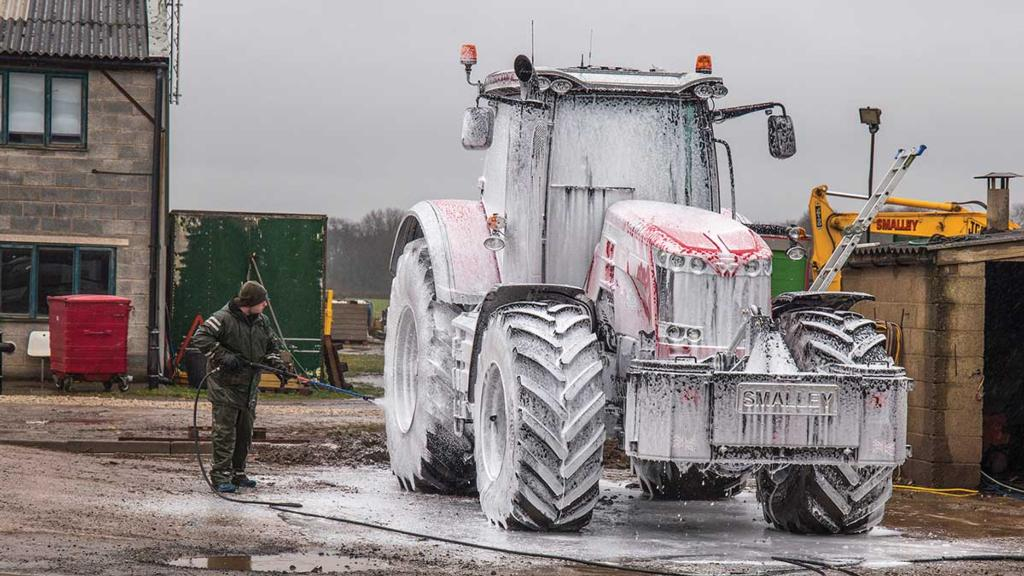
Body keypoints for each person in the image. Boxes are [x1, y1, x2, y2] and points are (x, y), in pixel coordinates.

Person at [192, 281, 290, 493]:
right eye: (262, 300)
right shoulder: (222, 318)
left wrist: (278, 366)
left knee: (245, 432)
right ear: (251, 302)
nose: (265, 304)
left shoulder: (262, 321)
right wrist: (224, 356)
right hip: (225, 386)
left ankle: (238, 473)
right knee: (225, 433)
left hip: (249, 387)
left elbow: (271, 346)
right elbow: (200, 337)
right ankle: (220, 476)